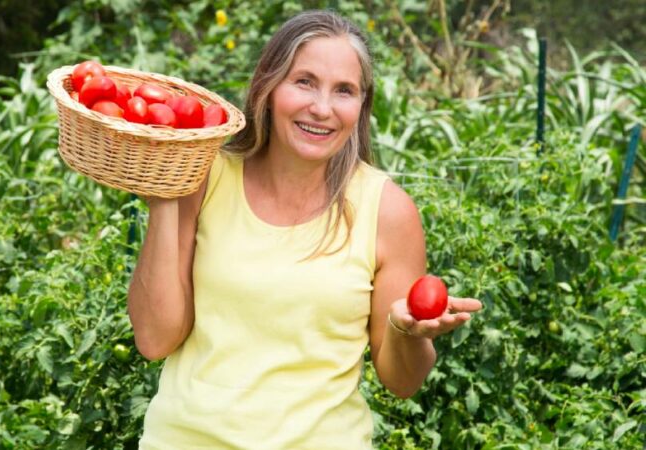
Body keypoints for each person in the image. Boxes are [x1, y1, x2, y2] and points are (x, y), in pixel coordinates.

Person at [128, 9, 483, 449]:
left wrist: (406, 332)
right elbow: (154, 338)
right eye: (304, 82)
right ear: (268, 87)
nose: (322, 108)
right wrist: (165, 199)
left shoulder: (386, 211)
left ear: (361, 106)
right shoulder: (206, 176)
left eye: (344, 91)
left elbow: (403, 381)